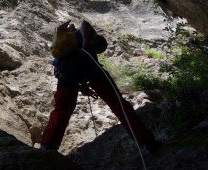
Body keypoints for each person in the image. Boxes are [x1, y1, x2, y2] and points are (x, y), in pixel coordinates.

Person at [39, 20, 157, 151]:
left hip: (66, 72)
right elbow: (84, 23)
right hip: (89, 71)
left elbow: (75, 73)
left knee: (62, 109)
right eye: (99, 47)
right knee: (118, 104)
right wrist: (85, 45)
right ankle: (146, 140)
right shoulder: (86, 37)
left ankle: (48, 145)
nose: (97, 48)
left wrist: (83, 86)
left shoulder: (71, 48)